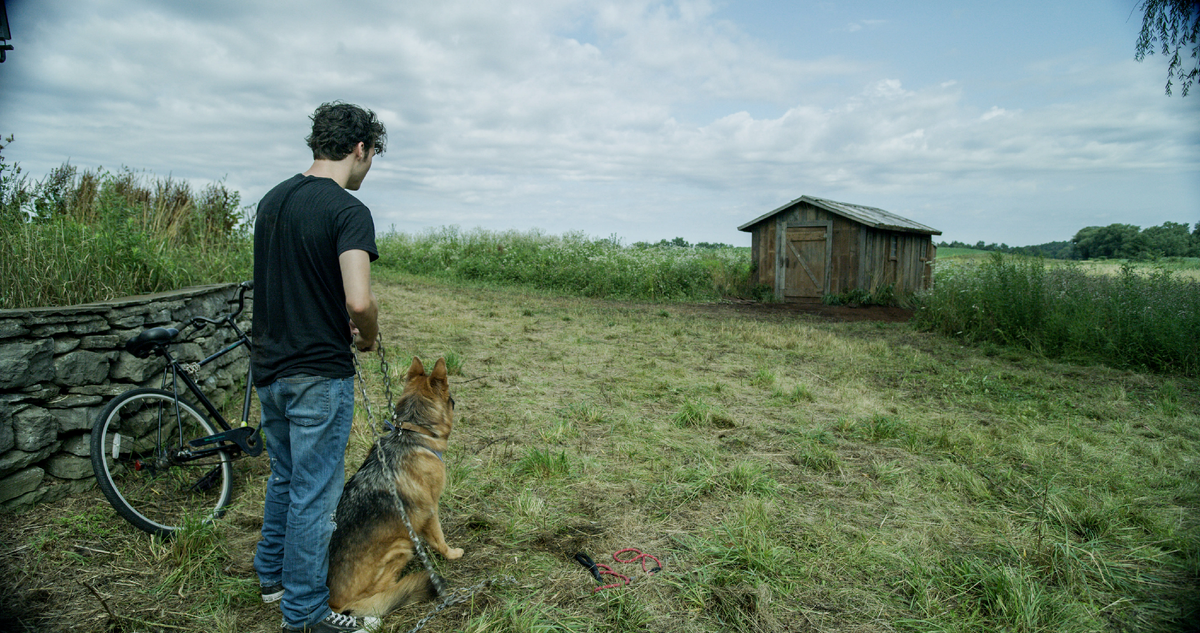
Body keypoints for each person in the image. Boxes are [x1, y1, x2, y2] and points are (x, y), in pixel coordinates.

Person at [251, 101, 385, 633]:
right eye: (371, 156)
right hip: (318, 375)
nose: (368, 167)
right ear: (360, 148)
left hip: (270, 369)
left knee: (284, 476)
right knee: (315, 493)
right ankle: (304, 616)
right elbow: (359, 300)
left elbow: (292, 283)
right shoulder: (349, 212)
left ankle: (271, 576)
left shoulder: (272, 200)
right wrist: (369, 334)